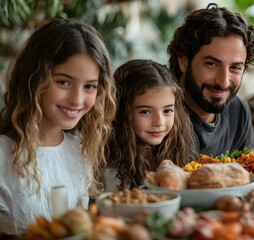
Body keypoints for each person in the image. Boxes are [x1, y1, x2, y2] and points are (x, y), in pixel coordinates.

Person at [0, 18, 116, 235]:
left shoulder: (80, 150)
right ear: (33, 79)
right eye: (63, 82)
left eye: (90, 86)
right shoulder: (3, 155)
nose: (77, 99)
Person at [167, 3, 254, 156]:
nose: (223, 82)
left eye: (235, 68)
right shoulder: (159, 116)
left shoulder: (238, 113)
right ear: (183, 61)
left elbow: (247, 177)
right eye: (211, 64)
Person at [105, 59, 198, 191]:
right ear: (121, 113)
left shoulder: (179, 152)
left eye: (167, 110)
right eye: (145, 111)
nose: (159, 122)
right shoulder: (109, 166)